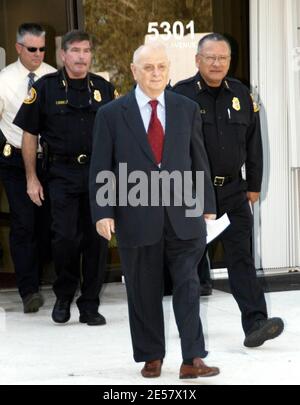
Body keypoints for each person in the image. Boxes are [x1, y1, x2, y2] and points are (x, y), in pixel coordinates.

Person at [89, 42, 220, 379]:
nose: (156, 73)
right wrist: (103, 211)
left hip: (183, 215)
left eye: (162, 66)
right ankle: (151, 356)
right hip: (136, 216)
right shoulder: (111, 114)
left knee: (189, 287)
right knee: (143, 290)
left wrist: (206, 204)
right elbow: (101, 167)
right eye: (149, 67)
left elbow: (198, 160)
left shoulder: (185, 108)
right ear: (134, 71)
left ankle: (193, 358)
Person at [173, 33, 284, 348]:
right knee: (190, 265)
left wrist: (254, 185)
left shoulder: (241, 94)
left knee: (242, 259)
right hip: (194, 194)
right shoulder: (181, 96)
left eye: (223, 57)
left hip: (235, 191)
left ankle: (256, 323)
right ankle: (189, 330)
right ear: (197, 60)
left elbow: (254, 143)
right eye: (210, 57)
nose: (217, 63)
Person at [14, 30, 116, 326]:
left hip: (98, 175)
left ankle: (90, 304)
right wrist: (32, 178)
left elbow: (117, 136)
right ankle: (64, 295)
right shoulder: (45, 89)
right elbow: (29, 134)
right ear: (63, 55)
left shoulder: (104, 89)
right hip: (61, 174)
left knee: (98, 240)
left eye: (86, 51)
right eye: (76, 51)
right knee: (65, 239)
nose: (82, 56)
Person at [0, 23, 56, 313]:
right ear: (19, 48)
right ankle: (28, 290)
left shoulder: (52, 77)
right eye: (32, 49)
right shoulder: (4, 79)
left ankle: (52, 279)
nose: (38, 54)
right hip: (15, 162)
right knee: (24, 225)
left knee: (48, 225)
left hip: (49, 160)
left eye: (42, 49)